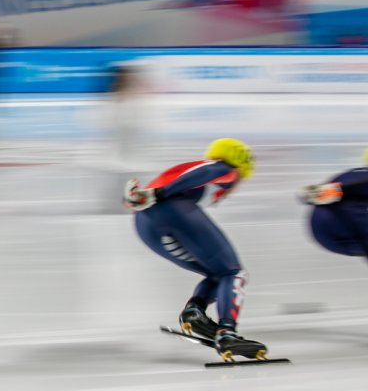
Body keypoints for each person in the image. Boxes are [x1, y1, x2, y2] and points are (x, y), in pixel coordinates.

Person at [123, 138, 266, 360]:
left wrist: (148, 195)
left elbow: (141, 196)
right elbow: (204, 173)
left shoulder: (190, 171)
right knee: (233, 273)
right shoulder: (225, 168)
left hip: (144, 224)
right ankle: (228, 333)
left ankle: (194, 313)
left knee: (218, 274)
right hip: (171, 210)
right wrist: (160, 194)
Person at [300, 149, 368, 260]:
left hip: (324, 232)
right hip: (335, 225)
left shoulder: (354, 174)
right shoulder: (360, 178)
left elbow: (308, 195)